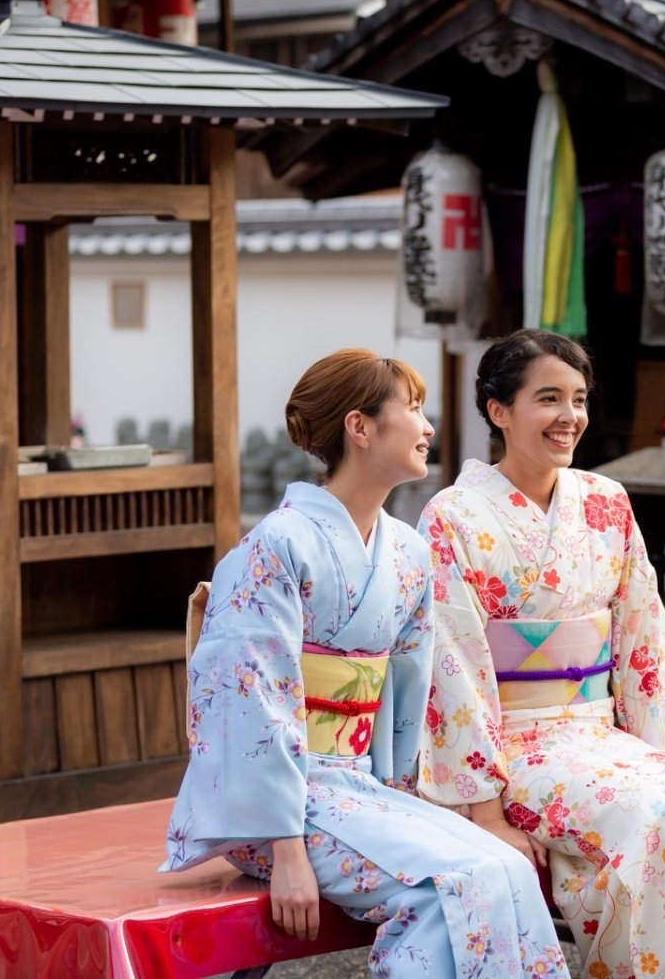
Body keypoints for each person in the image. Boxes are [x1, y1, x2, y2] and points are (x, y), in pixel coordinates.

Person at [161, 349, 570, 979]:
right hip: (276, 807)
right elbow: (249, 702)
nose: (427, 425)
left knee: (505, 867)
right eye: (411, 408)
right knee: (451, 884)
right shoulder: (276, 544)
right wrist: (286, 847)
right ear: (361, 427)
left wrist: (405, 799)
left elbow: (404, 698)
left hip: (359, 788)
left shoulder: (407, 552)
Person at [418, 330, 665, 979]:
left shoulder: (605, 501)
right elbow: (450, 666)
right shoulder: (453, 516)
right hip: (511, 746)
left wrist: (650, 751)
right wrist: (483, 809)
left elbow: (641, 626)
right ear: (499, 411)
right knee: (648, 816)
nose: (570, 417)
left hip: (593, 732)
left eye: (579, 399)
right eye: (548, 398)